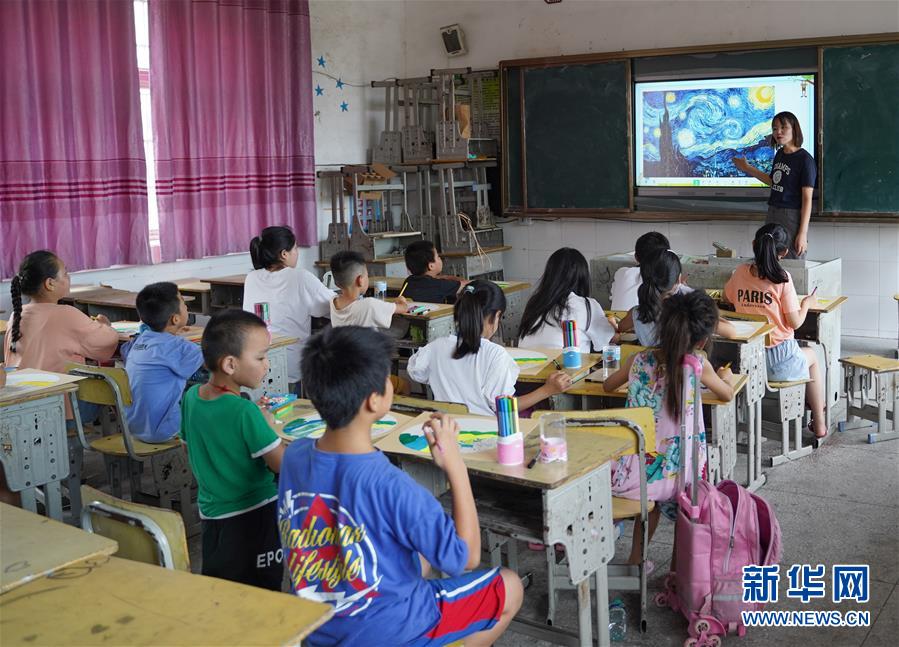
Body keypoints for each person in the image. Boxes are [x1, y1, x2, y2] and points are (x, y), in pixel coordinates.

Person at [280, 325, 522, 646]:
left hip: (319, 627)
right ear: (375, 401)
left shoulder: (294, 456)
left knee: (419, 557)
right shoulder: (392, 486)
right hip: (393, 629)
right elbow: (465, 557)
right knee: (510, 585)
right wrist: (456, 465)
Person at [604, 291, 734, 566]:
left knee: (650, 504)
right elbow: (727, 394)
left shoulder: (639, 360)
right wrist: (727, 376)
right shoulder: (699, 366)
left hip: (638, 477)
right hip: (682, 477)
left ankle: (636, 560)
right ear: (702, 340)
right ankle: (678, 569)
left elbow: (608, 386)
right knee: (683, 505)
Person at [180, 309, 286, 589]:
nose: (266, 365)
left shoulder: (191, 397)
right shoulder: (244, 411)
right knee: (263, 592)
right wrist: (267, 426)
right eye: (260, 358)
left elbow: (189, 446)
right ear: (230, 364)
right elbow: (282, 464)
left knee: (224, 589)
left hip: (212, 515)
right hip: (253, 514)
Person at [408, 280, 572, 416]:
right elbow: (504, 407)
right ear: (496, 316)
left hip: (445, 431)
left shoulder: (436, 346)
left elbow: (416, 372)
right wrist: (547, 390)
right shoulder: (495, 354)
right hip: (484, 433)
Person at [724, 223, 825, 437]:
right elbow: (795, 323)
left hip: (748, 362)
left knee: (806, 354)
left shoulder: (740, 272)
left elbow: (726, 297)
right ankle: (819, 422)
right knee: (813, 356)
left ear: (754, 244)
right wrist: (807, 303)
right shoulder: (782, 278)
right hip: (780, 362)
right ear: (785, 252)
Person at [243, 226, 334, 386]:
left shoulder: (251, 278)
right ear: (284, 254)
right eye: (296, 248)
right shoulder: (300, 276)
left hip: (256, 365)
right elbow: (332, 306)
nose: (297, 253)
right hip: (291, 366)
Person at [122, 282, 204, 442]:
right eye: (183, 303)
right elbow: (214, 359)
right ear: (175, 319)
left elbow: (125, 351)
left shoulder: (139, 340)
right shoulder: (179, 347)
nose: (187, 307)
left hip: (133, 427)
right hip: (165, 429)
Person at [734, 111, 816, 259]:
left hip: (791, 215)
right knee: (768, 258)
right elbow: (773, 182)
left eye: (783, 127)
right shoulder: (780, 154)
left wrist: (803, 233)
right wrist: (747, 168)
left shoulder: (805, 159)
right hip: (773, 211)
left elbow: (807, 199)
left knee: (791, 259)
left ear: (794, 129)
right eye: (775, 128)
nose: (778, 132)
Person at [617, 249, 736, 346]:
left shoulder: (637, 313)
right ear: (679, 279)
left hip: (648, 367)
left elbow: (621, 327)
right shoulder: (690, 311)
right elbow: (731, 332)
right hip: (687, 367)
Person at [517, 248, 615, 352]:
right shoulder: (586, 305)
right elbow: (607, 340)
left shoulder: (535, 302)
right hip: (564, 362)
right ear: (583, 277)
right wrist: (614, 327)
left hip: (526, 362)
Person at [329, 250, 408, 328]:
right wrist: (402, 301)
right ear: (360, 280)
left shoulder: (333, 301)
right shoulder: (369, 305)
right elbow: (404, 308)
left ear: (336, 283)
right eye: (367, 275)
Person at [610, 231, 670, 311]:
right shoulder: (665, 278)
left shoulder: (622, 273)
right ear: (666, 258)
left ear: (636, 257)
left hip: (616, 318)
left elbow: (613, 297)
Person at [401, 240, 468, 304]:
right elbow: (468, 284)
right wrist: (448, 278)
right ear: (431, 266)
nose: (440, 258)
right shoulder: (438, 285)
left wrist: (445, 277)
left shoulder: (408, 281)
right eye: (438, 256)